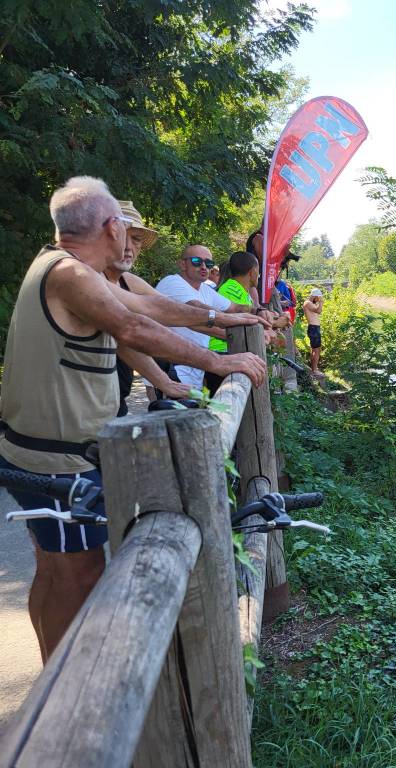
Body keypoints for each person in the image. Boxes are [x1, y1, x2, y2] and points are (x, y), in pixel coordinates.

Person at [0, 176, 268, 661]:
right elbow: (134, 326)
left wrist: (219, 320)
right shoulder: (72, 275)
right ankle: (67, 687)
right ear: (110, 226)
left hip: (45, 451)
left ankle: (52, 668)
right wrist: (221, 361)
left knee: (55, 567)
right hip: (56, 460)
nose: (132, 242)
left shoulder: (73, 270)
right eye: (127, 230)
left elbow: (148, 305)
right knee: (78, 574)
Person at [102, 201, 191, 413]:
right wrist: (214, 361)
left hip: (114, 402)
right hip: (79, 415)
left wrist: (228, 323)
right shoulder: (87, 278)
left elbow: (171, 310)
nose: (127, 247)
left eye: (136, 239)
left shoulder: (128, 281)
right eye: (121, 235)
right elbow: (132, 330)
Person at [155, 245, 272, 392]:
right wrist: (256, 335)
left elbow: (235, 307)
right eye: (196, 261)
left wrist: (258, 310)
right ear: (182, 264)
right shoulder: (172, 283)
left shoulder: (204, 289)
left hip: (194, 365)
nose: (204, 266)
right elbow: (201, 314)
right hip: (168, 368)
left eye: (208, 263)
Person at [303, 288, 324, 374]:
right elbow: (319, 311)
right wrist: (321, 302)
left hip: (315, 328)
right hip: (313, 328)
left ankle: (314, 369)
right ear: (314, 296)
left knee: (315, 349)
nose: (318, 299)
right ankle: (314, 370)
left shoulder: (312, 304)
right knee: (316, 350)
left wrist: (318, 302)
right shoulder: (308, 303)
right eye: (318, 297)